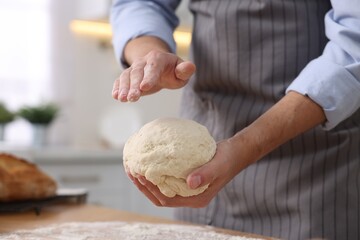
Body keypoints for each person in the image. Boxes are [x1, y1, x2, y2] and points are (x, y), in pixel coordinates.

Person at [110, 0, 360, 239]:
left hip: (308, 174)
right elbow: (140, 2)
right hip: (201, 164)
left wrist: (244, 147)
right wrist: (148, 55)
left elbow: (354, 45)